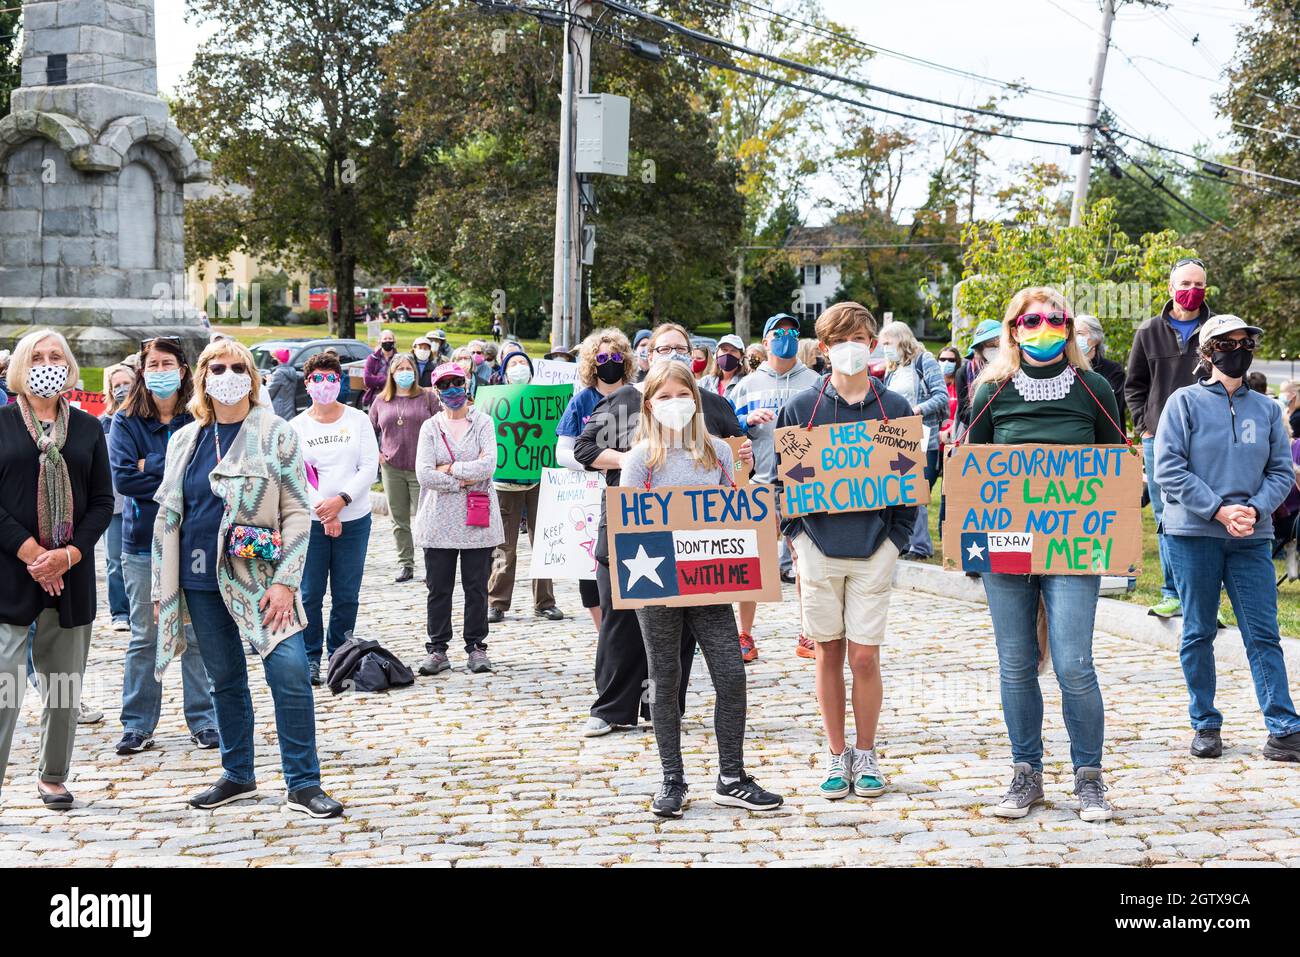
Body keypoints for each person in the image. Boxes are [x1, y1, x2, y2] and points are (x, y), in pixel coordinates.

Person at [153, 338, 343, 817]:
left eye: (238, 366)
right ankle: (237, 774)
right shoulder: (185, 439)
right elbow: (168, 518)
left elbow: (298, 511)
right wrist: (164, 587)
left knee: (291, 674)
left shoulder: (275, 432)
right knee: (224, 680)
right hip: (198, 581)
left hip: (260, 580)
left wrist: (285, 582)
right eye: (217, 367)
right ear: (201, 378)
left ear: (253, 377)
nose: (229, 374)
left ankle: (303, 783)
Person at [966, 287, 1125, 822]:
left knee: (1075, 664)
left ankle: (1089, 778)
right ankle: (1026, 772)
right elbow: (973, 468)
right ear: (1013, 328)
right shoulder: (991, 389)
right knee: (1016, 665)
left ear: (1068, 325)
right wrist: (969, 545)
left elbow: (1116, 464)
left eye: (1055, 319)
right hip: (1006, 546)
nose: (1043, 327)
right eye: (1032, 319)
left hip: (1073, 548)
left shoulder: (1094, 386)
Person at [622, 360, 783, 818]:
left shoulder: (717, 452)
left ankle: (731, 776)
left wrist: (754, 498)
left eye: (682, 394)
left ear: (695, 398)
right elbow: (628, 523)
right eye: (664, 396)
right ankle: (672, 778)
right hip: (657, 585)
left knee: (731, 675)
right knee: (666, 680)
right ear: (650, 405)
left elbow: (736, 511)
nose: (675, 403)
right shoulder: (640, 459)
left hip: (707, 584)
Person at [574, 323, 747, 738]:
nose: (672, 353)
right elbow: (583, 449)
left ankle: (665, 707)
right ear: (648, 356)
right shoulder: (622, 402)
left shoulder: (712, 404)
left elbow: (738, 463)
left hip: (695, 543)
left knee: (681, 631)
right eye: (663, 347)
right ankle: (612, 707)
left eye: (680, 348)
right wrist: (638, 458)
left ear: (693, 356)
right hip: (629, 531)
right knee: (621, 619)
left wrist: (740, 465)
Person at [774, 303, 913, 805]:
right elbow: (784, 486)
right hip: (817, 547)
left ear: (873, 345)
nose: (850, 347)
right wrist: (797, 537)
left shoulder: (895, 408)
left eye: (860, 338)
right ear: (825, 347)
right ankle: (837, 755)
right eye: (840, 340)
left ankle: (867, 752)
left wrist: (896, 542)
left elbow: (909, 488)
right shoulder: (801, 409)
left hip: (875, 548)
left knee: (866, 656)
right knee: (828, 650)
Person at [1154, 314, 1300, 763]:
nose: (1238, 350)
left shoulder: (1268, 409)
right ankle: (1205, 723)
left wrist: (1254, 509)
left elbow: (1280, 470)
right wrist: (1217, 508)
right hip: (1193, 533)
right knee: (1198, 631)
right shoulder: (1183, 403)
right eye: (1227, 343)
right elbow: (1168, 469)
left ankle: (1283, 727)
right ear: (1207, 352)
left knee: (1263, 633)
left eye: (1245, 342)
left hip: (1251, 535)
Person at [0, 330, 114, 809]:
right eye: (37, 356)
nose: (47, 363)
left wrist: (67, 555)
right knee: (5, 690)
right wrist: (31, 553)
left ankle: (53, 774)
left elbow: (104, 502)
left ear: (68, 368)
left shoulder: (88, 429)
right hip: (10, 573)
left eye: (56, 357)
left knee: (63, 688)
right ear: (20, 367)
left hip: (70, 577)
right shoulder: (2, 424)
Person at [109, 338, 218, 755]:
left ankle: (204, 720)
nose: (159, 369)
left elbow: (209, 476)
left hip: (195, 540)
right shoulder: (126, 421)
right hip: (142, 541)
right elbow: (124, 479)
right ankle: (137, 724)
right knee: (145, 635)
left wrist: (149, 464)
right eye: (151, 363)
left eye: (166, 362)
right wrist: (175, 470)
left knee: (194, 633)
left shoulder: (203, 419)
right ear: (141, 370)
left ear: (184, 368)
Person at [1125, 257, 1215, 620]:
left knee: (1207, 512)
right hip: (1159, 437)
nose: (1192, 291)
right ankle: (1172, 592)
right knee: (1166, 516)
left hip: (1208, 437)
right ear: (1170, 288)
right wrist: (1144, 427)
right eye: (1185, 284)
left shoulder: (1217, 329)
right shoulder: (1148, 332)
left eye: (1199, 284)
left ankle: (1203, 598)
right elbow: (1134, 386)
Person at [731, 313, 822, 661]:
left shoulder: (815, 382)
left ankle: (809, 633)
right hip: (759, 484)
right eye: (778, 332)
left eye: (792, 332)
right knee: (752, 560)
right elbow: (724, 428)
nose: (786, 336)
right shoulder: (747, 385)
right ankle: (745, 634)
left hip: (805, 484)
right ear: (765, 341)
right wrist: (745, 420)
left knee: (806, 561)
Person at [290, 352, 379, 686]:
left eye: (331, 378)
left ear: (339, 382)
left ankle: (340, 654)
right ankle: (310, 656)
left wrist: (341, 502)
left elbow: (369, 467)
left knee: (346, 593)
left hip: (354, 518)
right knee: (310, 593)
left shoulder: (357, 420)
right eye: (318, 379)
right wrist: (324, 511)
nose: (325, 385)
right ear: (307, 383)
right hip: (311, 522)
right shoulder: (296, 427)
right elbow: (296, 475)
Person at [414, 363, 504, 675]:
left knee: (476, 586)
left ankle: (476, 646)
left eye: (456, 382)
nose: (451, 389)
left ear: (465, 385)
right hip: (438, 522)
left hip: (476, 519)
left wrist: (449, 469)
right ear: (436, 391)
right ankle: (438, 648)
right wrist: (464, 478)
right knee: (439, 588)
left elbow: (489, 465)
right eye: (444, 384)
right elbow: (424, 474)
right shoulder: (430, 427)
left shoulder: (484, 423)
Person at [556, 328, 635, 631]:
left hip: (631, 491)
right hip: (588, 494)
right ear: (591, 362)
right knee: (591, 570)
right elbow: (563, 451)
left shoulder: (638, 395)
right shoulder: (581, 401)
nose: (609, 362)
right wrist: (596, 464)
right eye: (602, 357)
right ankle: (606, 635)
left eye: (615, 356)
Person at [487, 347, 563, 623]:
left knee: (543, 543)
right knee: (503, 547)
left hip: (539, 482)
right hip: (505, 485)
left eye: (523, 363)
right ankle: (496, 601)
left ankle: (545, 601)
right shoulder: (495, 401)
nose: (519, 367)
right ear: (505, 373)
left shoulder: (543, 399)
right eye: (513, 363)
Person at [879, 321, 947, 562]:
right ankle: (904, 542)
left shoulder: (923, 360)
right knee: (898, 492)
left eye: (888, 343)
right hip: (896, 437)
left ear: (902, 339)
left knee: (915, 492)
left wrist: (916, 409)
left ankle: (920, 546)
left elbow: (941, 396)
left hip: (922, 436)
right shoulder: (892, 369)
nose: (885, 348)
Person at [370, 353, 440, 584]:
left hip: (423, 467)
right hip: (392, 467)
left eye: (408, 367)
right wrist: (377, 453)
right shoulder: (381, 400)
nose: (404, 372)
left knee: (426, 518)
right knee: (398, 519)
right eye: (399, 368)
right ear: (392, 372)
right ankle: (405, 564)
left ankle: (433, 564)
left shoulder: (426, 397)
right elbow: (368, 430)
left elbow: (441, 426)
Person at [102, 363, 136, 633]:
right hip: (114, 502)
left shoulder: (144, 419)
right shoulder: (104, 422)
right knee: (115, 559)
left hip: (140, 500)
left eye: (127, 383)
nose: (122, 389)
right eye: (117, 386)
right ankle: (120, 611)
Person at [1075, 314, 1127, 433]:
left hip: (1109, 441)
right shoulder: (1068, 369)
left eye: (1079, 333)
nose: (1075, 338)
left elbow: (1113, 410)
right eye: (1073, 334)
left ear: (1096, 339)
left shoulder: (1114, 371)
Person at [955, 318, 1001, 433]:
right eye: (990, 345)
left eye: (998, 344)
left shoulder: (1014, 369)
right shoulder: (964, 372)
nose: (995, 349)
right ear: (980, 348)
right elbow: (963, 413)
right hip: (977, 431)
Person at [698, 334, 746, 401]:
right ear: (717, 354)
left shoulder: (745, 383)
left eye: (733, 350)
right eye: (724, 350)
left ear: (741, 357)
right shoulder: (705, 382)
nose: (728, 354)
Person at [362, 328, 398, 408]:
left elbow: (399, 380)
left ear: (394, 341)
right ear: (380, 341)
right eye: (385, 339)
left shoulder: (399, 358)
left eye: (390, 339)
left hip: (395, 397)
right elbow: (367, 380)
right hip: (375, 398)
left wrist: (376, 379)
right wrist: (389, 379)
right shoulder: (372, 358)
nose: (387, 341)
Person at [267, 348, 300, 421]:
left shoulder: (278, 373)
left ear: (278, 360)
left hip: (278, 411)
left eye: (273, 358)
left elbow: (269, 394)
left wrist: (268, 381)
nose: (272, 360)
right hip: (290, 411)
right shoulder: (292, 371)